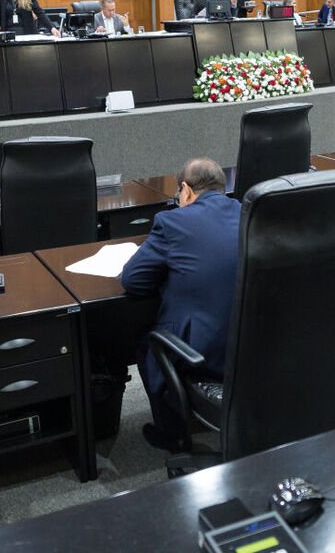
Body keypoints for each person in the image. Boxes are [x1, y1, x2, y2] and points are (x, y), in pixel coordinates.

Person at [120, 158, 242, 451]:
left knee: (147, 343)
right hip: (251, 347)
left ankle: (173, 434)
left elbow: (133, 280)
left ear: (185, 190)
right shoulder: (248, 213)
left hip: (203, 355)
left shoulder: (172, 221)